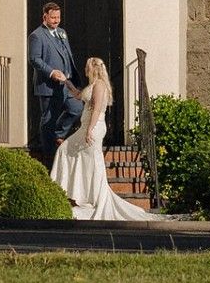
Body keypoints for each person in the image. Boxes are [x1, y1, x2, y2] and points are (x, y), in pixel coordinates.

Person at [50, 56, 163, 222]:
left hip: (93, 128)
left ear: (93, 69)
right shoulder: (92, 85)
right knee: (68, 151)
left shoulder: (100, 86)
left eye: (87, 68)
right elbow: (78, 95)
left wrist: (89, 130)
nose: (85, 70)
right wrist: (66, 81)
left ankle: (92, 197)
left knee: (86, 159)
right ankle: (73, 192)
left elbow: (96, 110)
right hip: (86, 128)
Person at [28, 1, 82, 159]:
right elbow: (34, 59)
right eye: (53, 17)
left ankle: (58, 135)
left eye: (58, 17)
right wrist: (51, 72)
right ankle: (49, 157)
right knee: (48, 120)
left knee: (77, 108)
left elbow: (66, 54)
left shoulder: (62, 32)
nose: (56, 20)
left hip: (66, 82)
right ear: (44, 16)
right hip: (48, 85)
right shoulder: (36, 36)